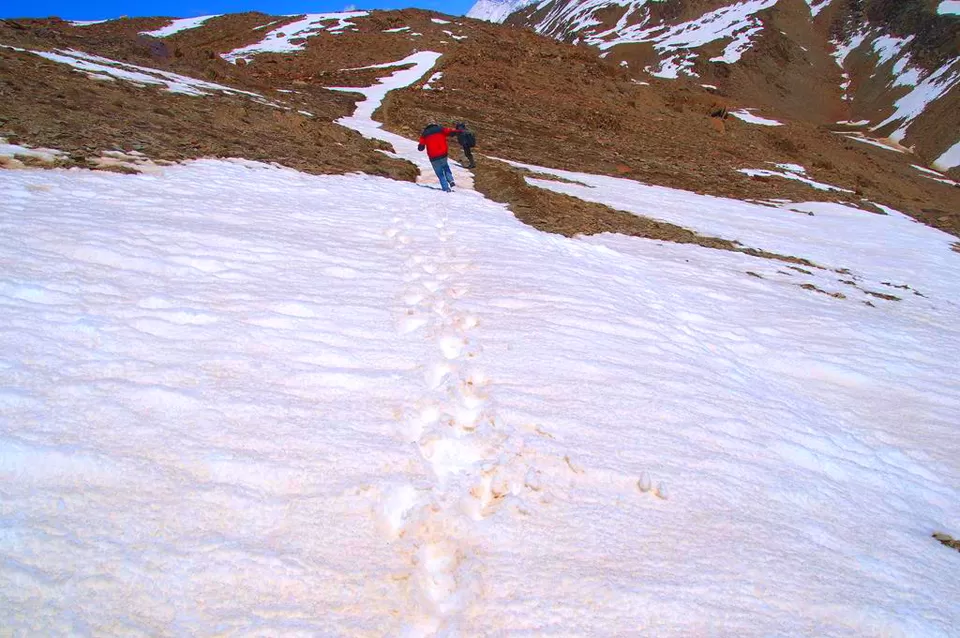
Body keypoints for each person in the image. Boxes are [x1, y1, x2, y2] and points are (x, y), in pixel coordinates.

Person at [417, 123, 458, 192]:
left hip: (433, 156)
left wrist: (421, 145)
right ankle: (451, 180)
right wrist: (458, 131)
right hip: (443, 153)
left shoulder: (424, 134)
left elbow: (421, 148)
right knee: (445, 166)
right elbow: (450, 132)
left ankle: (446, 188)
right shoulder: (440, 129)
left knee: (439, 173)